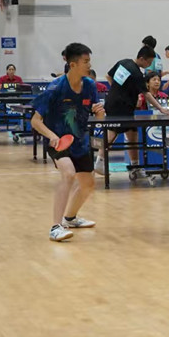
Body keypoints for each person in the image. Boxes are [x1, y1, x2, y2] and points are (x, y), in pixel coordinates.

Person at [30, 43, 105, 241]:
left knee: (88, 184)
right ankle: (55, 227)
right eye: (85, 61)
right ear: (73, 64)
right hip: (58, 141)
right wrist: (52, 136)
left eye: (89, 61)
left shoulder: (90, 86)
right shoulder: (55, 88)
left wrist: (100, 113)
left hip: (80, 141)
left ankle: (70, 218)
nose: (89, 65)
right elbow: (35, 121)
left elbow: (98, 117)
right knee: (69, 174)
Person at [96, 45, 169, 176]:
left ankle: (135, 166)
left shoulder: (123, 62)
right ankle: (99, 161)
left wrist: (117, 91)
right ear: (142, 58)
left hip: (116, 103)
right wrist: (160, 108)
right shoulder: (137, 73)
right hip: (120, 107)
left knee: (132, 133)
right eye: (148, 62)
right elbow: (146, 94)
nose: (149, 65)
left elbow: (108, 76)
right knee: (112, 132)